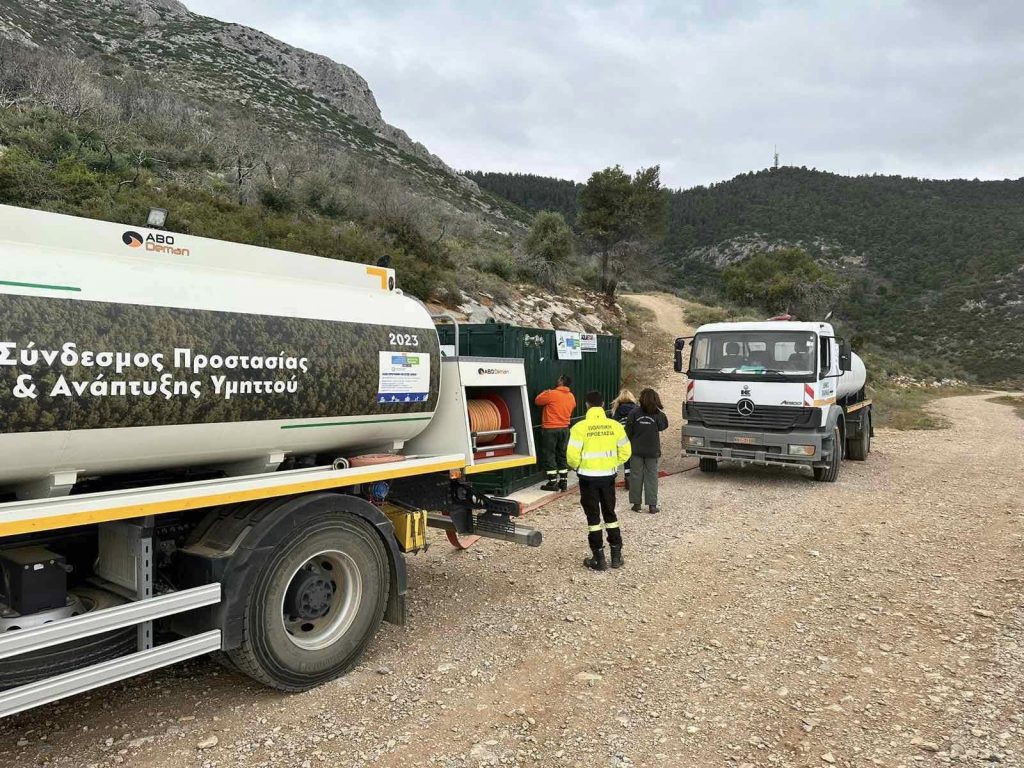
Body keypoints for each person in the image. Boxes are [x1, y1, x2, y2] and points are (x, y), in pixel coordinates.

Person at [566, 391, 632, 571]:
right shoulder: (615, 426)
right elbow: (626, 451)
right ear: (603, 405)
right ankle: (616, 556)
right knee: (610, 514)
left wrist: (578, 467)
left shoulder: (579, 428)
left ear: (587, 405)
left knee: (593, 517)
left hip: (587, 478)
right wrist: (613, 464)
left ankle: (598, 558)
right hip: (608, 477)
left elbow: (571, 456)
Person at [625, 388, 669, 513]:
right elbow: (663, 426)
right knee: (652, 477)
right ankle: (652, 505)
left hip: (636, 450)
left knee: (635, 476)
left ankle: (636, 504)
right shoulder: (658, 414)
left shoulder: (634, 413)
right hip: (652, 451)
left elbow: (628, 431)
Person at [534, 375, 576, 492]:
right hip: (565, 428)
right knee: (562, 454)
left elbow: (537, 401)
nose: (557, 380)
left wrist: (545, 392)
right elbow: (573, 406)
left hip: (550, 429)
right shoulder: (571, 396)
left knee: (549, 454)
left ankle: (552, 482)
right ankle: (563, 481)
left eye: (559, 378)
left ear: (561, 381)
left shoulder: (551, 394)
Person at [609, 388, 638, 489]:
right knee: (635, 457)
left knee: (626, 456)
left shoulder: (618, 409)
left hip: (622, 435)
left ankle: (628, 479)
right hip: (635, 435)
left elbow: (614, 423)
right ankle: (636, 479)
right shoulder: (637, 408)